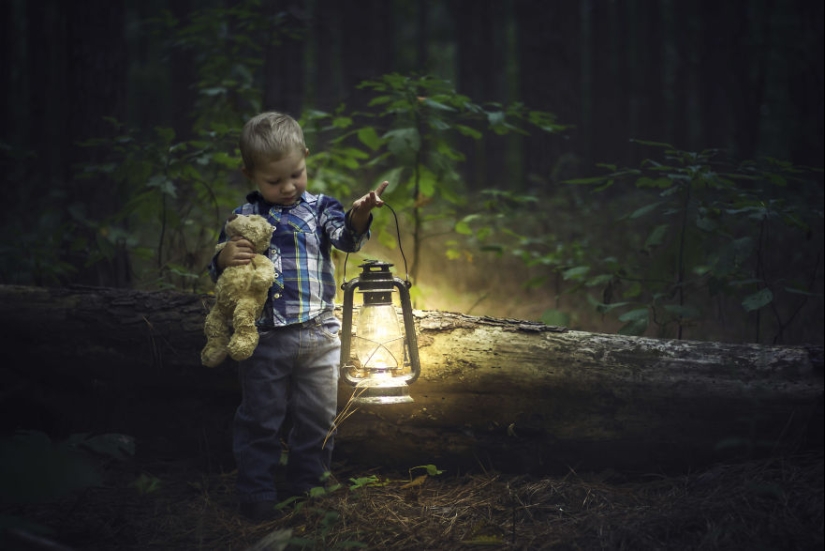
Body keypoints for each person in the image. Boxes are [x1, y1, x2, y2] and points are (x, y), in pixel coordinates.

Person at [208, 111, 388, 522]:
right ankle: (257, 491)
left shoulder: (321, 208)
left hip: (320, 334)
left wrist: (359, 213)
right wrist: (223, 256)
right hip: (265, 339)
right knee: (260, 418)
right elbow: (222, 273)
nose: (288, 187)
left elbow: (347, 240)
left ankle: (311, 484)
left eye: (297, 174)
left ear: (305, 158)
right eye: (274, 181)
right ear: (250, 173)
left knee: (318, 418)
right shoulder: (243, 219)